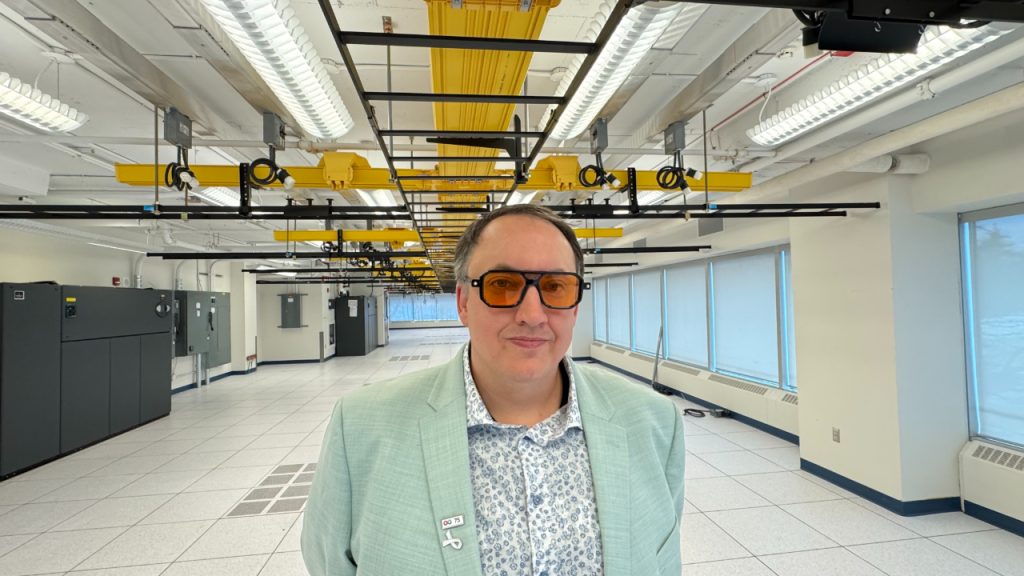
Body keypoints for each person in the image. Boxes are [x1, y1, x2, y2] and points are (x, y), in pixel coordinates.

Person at [302, 204, 685, 575]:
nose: (532, 315)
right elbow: (329, 563)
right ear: (463, 303)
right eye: (502, 285)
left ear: (575, 307)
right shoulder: (361, 428)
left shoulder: (654, 424)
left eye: (555, 286)